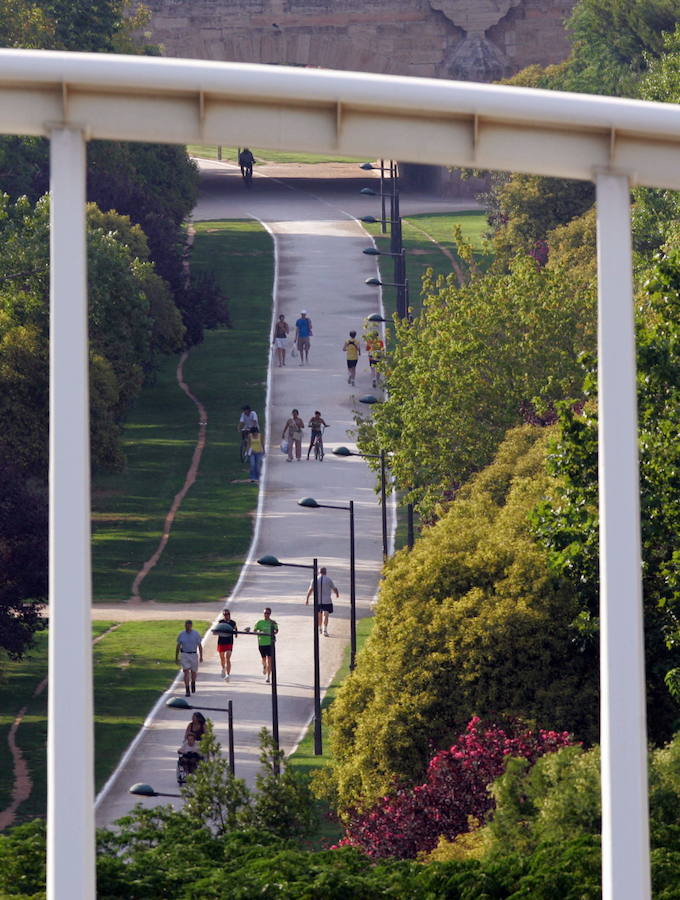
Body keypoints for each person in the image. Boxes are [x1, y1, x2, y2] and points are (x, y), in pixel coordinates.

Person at [306, 566, 339, 636]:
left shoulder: (315, 579)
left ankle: (319, 627)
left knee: (319, 615)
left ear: (319, 572)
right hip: (327, 601)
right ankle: (325, 629)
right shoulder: (328, 579)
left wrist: (307, 599)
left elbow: (310, 590)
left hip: (317, 601)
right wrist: (337, 594)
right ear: (325, 572)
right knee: (325, 615)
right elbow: (334, 588)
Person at [248, 607, 279, 683]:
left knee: (270, 661)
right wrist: (259, 631)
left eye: (268, 613)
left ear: (270, 614)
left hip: (270, 644)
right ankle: (264, 666)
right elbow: (254, 630)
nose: (266, 614)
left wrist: (273, 633)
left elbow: (277, 630)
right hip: (262, 643)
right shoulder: (260, 622)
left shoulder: (273, 622)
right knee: (264, 660)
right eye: (265, 613)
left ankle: (268, 677)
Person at [175, 620, 203, 696]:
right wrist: (176, 657)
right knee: (186, 672)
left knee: (194, 672)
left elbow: (200, 646)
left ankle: (193, 682)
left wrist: (201, 656)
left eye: (188, 625)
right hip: (184, 654)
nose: (187, 627)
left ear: (191, 625)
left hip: (193, 654)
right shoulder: (181, 634)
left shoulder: (196, 634)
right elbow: (178, 646)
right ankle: (187, 689)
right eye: (186, 626)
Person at [212, 609, 237, 680]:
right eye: (225, 614)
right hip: (221, 642)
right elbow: (215, 631)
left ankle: (228, 674)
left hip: (229, 642)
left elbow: (235, 629)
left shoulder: (233, 622)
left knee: (228, 658)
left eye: (227, 614)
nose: (226, 616)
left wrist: (235, 633)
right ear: (223, 615)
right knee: (222, 658)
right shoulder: (220, 622)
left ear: (230, 614)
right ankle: (223, 668)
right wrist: (215, 632)